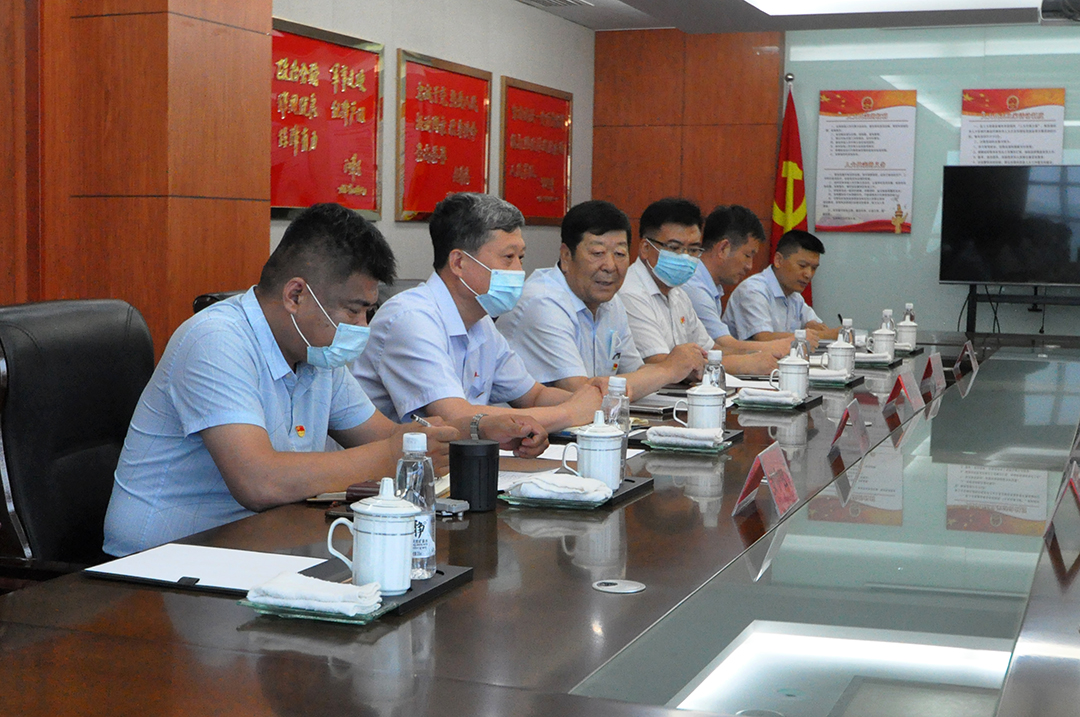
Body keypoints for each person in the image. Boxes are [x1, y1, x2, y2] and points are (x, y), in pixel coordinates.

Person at [103, 203, 544, 557]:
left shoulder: (315, 352)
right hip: (162, 563)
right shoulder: (216, 340)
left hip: (262, 544)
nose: (362, 327)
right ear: (296, 295)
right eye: (353, 310)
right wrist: (393, 454)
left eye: (368, 311)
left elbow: (385, 435)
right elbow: (259, 482)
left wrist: (475, 431)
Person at [353, 192, 602, 432]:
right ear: (458, 263)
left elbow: (534, 395)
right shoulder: (410, 319)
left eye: (521, 257)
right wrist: (569, 413)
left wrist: (597, 401)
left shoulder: (481, 322)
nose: (518, 270)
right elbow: (455, 417)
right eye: (508, 257)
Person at [499, 200, 703, 398]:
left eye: (620, 254)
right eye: (598, 253)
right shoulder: (542, 301)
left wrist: (678, 369)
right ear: (566, 256)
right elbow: (580, 392)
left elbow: (636, 371)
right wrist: (668, 370)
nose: (610, 266)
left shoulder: (610, 301)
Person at [617, 198, 777, 376]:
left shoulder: (678, 293)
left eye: (693, 249)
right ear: (646, 248)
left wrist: (757, 356)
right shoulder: (630, 292)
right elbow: (662, 364)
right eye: (674, 248)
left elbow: (712, 350)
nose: (685, 257)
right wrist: (742, 364)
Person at [683, 205, 790, 359]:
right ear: (723, 249)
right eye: (747, 255)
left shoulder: (710, 284)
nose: (749, 266)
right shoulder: (693, 286)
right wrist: (785, 345)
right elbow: (723, 346)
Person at [722, 229, 840, 343]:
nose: (808, 274)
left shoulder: (794, 297)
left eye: (814, 268)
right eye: (802, 266)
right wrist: (825, 335)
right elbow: (763, 338)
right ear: (778, 260)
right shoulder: (753, 291)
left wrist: (816, 328)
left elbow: (818, 326)